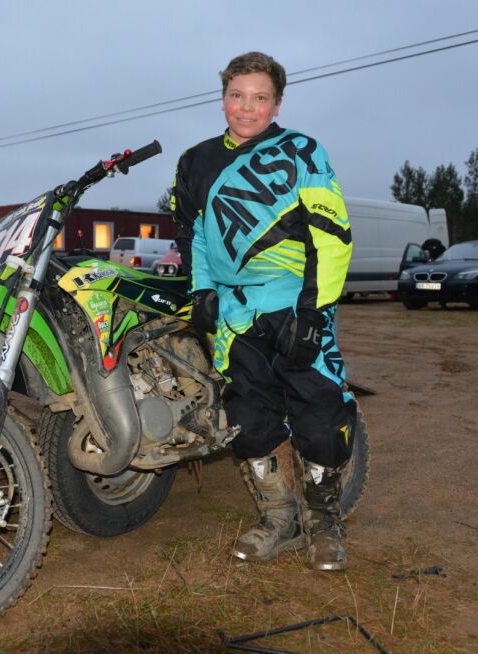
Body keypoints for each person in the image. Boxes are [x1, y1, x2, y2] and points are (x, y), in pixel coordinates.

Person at [172, 52, 356, 571]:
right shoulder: (194, 161)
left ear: (277, 102)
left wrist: (314, 311)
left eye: (259, 98)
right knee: (249, 422)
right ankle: (281, 520)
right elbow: (193, 234)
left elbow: (333, 234)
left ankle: (324, 524)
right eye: (236, 95)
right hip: (235, 315)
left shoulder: (301, 151)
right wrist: (202, 292)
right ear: (223, 96)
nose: (246, 108)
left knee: (319, 418)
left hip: (296, 301)